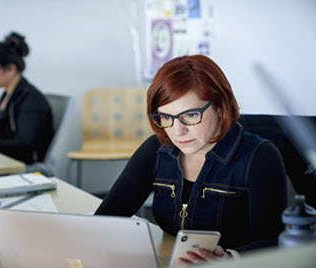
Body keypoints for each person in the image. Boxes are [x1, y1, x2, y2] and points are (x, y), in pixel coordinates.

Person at [95, 55, 287, 266]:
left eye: (191, 115)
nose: (178, 131)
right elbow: (107, 218)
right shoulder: (157, 149)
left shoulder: (260, 156)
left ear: (221, 107)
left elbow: (274, 242)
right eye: (166, 118)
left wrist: (230, 257)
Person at [0, 32, 54, 164]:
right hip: (2, 159)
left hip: (21, 167)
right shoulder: (7, 95)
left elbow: (26, 147)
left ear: (10, 68)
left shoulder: (31, 100)